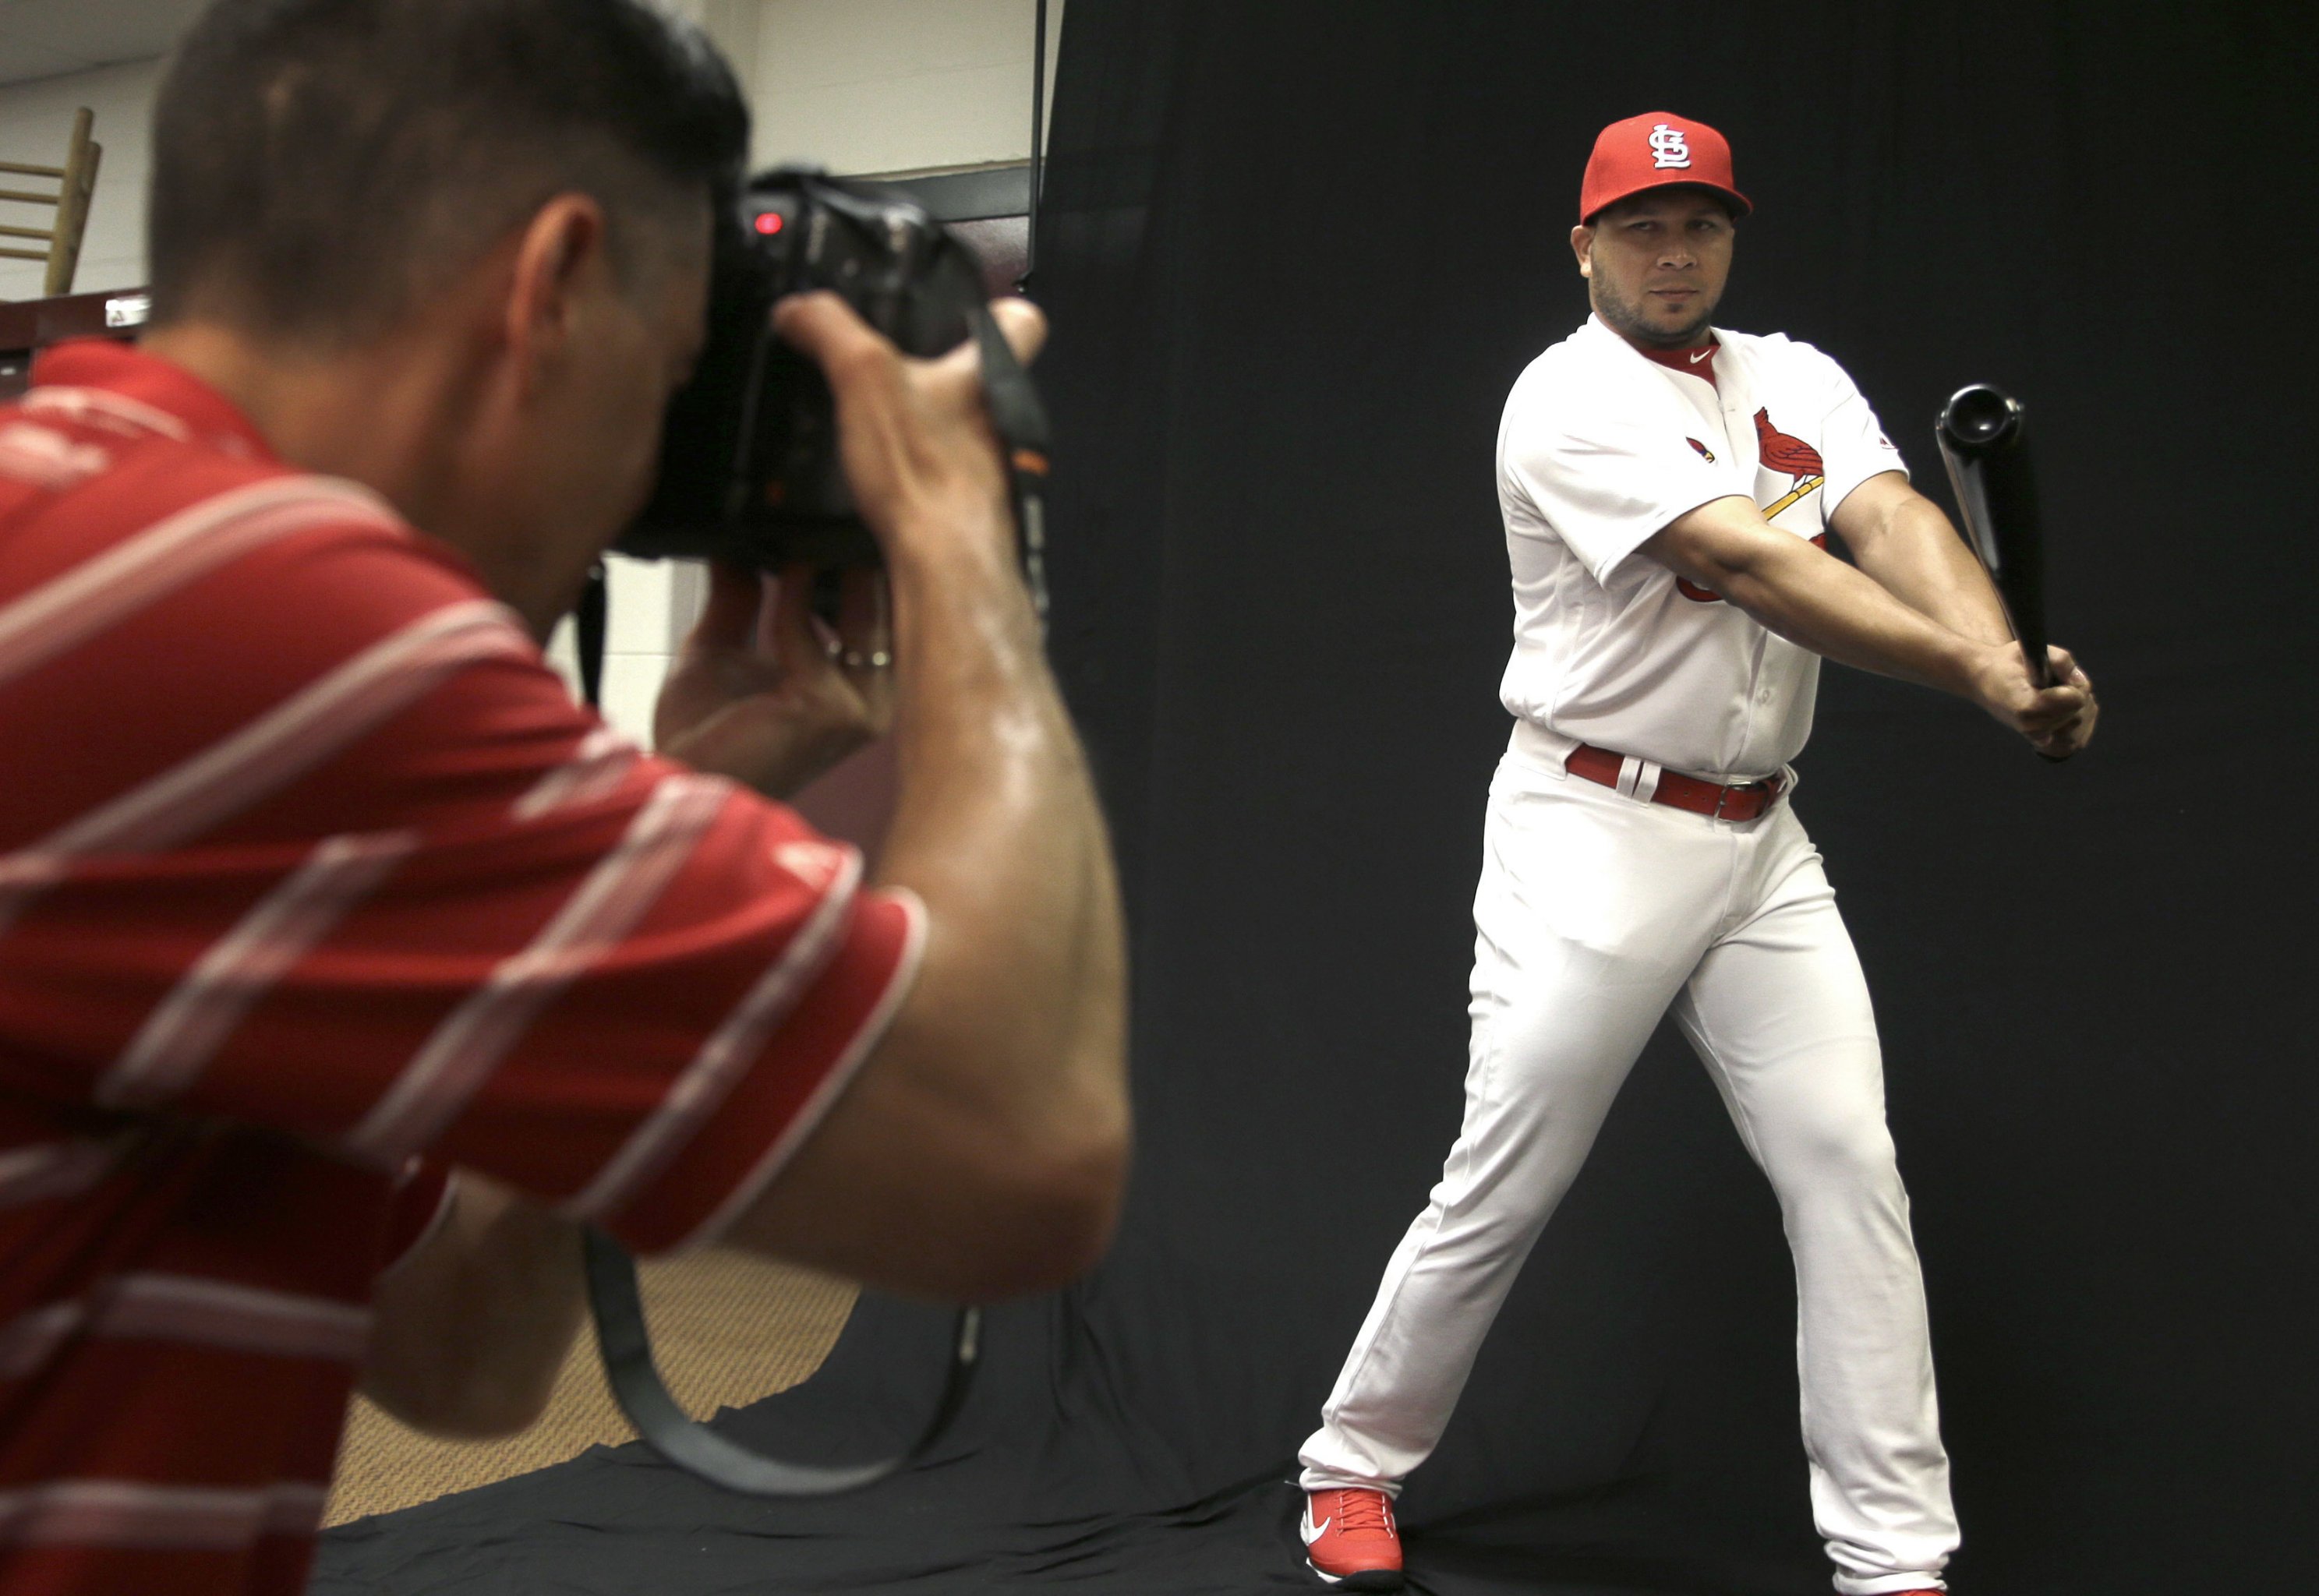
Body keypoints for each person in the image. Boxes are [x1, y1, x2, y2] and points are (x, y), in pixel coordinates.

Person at [0, 3, 1128, 1593]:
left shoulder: (99, 551)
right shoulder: (248, 615)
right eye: (663, 384)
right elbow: (1024, 1161)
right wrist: (960, 541)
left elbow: (456, 1355)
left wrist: (674, 808)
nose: (635, 484)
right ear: (550, 287)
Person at [1294, 111, 2096, 1594]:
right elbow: (1752, 562)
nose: (1676, 252)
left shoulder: (1790, 373)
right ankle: (1352, 1461)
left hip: (1758, 837)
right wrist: (1974, 676)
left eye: (1703, 224)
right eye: (1644, 226)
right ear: (1585, 243)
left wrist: (2010, 654)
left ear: (1731, 236)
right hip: (1591, 827)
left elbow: (1885, 512)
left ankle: (1896, 1556)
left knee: (1848, 1164)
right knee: (1508, 1177)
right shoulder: (1561, 398)